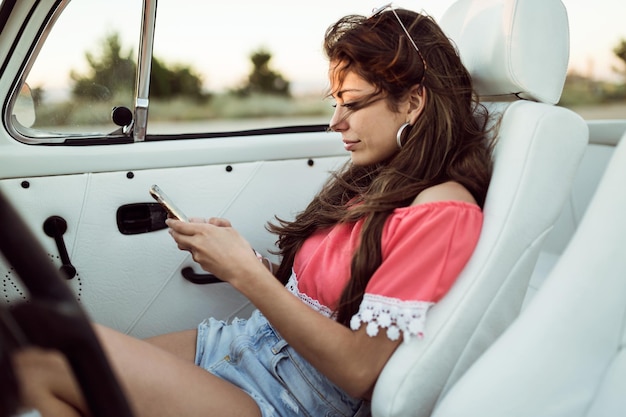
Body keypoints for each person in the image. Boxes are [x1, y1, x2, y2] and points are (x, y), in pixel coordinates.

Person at [13, 5, 494, 417]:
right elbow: (326, 298)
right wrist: (242, 259)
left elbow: (359, 371)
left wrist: (246, 275)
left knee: (44, 363)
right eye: (335, 102)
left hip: (283, 397)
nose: (335, 122)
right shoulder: (376, 181)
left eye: (351, 103)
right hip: (244, 346)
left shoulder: (442, 211)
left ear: (412, 101)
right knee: (37, 349)